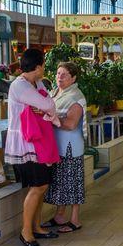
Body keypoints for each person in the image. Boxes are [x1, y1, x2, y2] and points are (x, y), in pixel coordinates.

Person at [4, 48, 60, 246]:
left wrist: (46, 105)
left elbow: (48, 104)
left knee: (42, 185)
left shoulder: (34, 83)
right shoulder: (20, 87)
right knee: (38, 186)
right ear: (37, 67)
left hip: (38, 142)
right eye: (43, 64)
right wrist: (45, 105)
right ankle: (26, 231)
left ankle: (36, 226)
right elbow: (48, 105)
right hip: (25, 145)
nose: (44, 68)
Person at [41, 61, 88, 232]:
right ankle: (59, 215)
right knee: (60, 181)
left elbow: (71, 124)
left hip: (71, 147)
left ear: (73, 78)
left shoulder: (75, 97)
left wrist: (54, 120)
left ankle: (75, 220)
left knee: (72, 181)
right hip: (57, 146)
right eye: (58, 73)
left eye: (64, 75)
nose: (59, 77)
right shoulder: (55, 92)